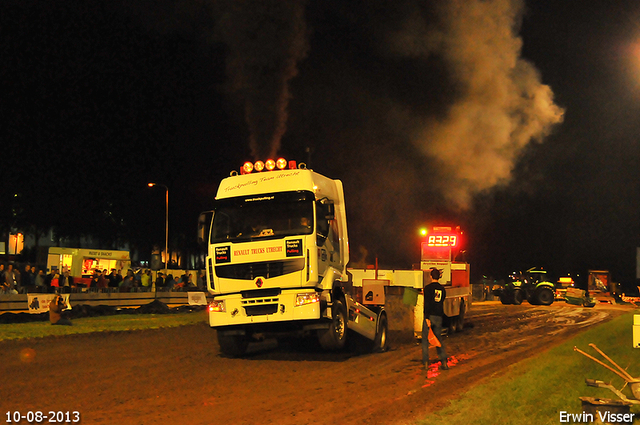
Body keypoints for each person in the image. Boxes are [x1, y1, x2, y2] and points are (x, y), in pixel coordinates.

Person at [422, 267, 448, 370]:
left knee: (425, 340)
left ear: (431, 276)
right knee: (438, 339)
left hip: (430, 316)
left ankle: (425, 362)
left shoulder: (427, 288)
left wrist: (427, 318)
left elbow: (427, 304)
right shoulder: (442, 289)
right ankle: (444, 362)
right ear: (439, 277)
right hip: (438, 317)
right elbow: (441, 303)